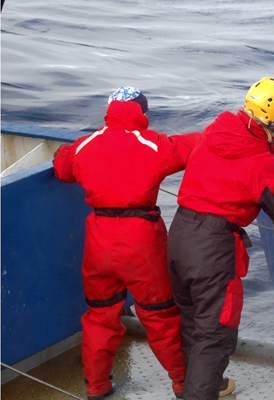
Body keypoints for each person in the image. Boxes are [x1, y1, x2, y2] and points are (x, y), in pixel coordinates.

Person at [167, 77, 274, 400]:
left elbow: (248, 143)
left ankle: (206, 386)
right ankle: (200, 393)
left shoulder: (218, 128)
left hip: (179, 233)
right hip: (212, 248)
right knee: (215, 335)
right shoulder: (261, 164)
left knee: (193, 321)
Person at [53, 86, 202, 400]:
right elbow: (198, 146)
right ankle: (182, 383)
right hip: (140, 241)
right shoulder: (153, 144)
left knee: (99, 316)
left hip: (97, 238)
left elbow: (62, 168)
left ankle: (97, 386)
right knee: (159, 314)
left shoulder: (83, 145)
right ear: (142, 113)